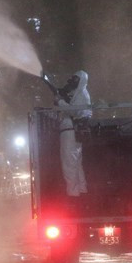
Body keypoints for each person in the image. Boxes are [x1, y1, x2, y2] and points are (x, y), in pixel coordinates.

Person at [57, 70, 91, 198]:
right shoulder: (80, 94)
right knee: (76, 163)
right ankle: (81, 191)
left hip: (70, 132)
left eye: (75, 79)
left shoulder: (82, 94)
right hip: (74, 131)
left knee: (69, 164)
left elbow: (75, 112)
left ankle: (73, 195)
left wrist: (60, 102)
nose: (73, 81)